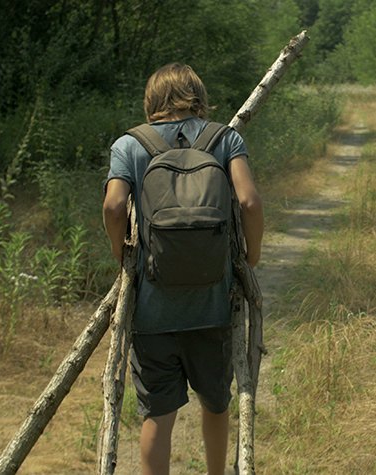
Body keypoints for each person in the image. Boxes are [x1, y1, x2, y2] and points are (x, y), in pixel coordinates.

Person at [103, 63, 263, 475]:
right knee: (217, 404)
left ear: (152, 100)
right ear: (198, 96)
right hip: (213, 307)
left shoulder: (129, 145)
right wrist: (251, 256)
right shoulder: (225, 139)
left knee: (157, 415)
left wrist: (122, 256)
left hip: (153, 312)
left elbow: (114, 206)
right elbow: (249, 202)